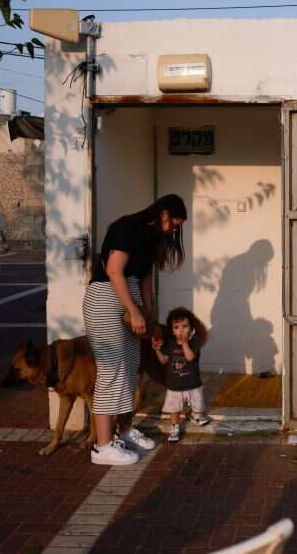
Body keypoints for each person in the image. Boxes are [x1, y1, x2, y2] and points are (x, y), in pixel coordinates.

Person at [82, 194, 187, 465]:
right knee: (111, 371)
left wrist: (152, 321)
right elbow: (115, 271)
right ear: (163, 213)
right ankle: (102, 447)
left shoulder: (151, 240)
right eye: (175, 224)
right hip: (106, 298)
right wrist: (133, 310)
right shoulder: (126, 227)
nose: (175, 230)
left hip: (131, 302)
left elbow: (145, 285)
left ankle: (125, 432)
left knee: (130, 369)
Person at [153, 307, 210, 443]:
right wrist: (157, 350)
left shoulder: (194, 341)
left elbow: (190, 357)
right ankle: (175, 427)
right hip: (174, 385)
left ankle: (196, 415)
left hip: (192, 383)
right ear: (172, 330)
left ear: (191, 328)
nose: (181, 330)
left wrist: (184, 343)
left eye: (185, 326)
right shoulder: (169, 342)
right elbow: (163, 360)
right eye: (176, 327)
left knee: (199, 405)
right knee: (175, 408)